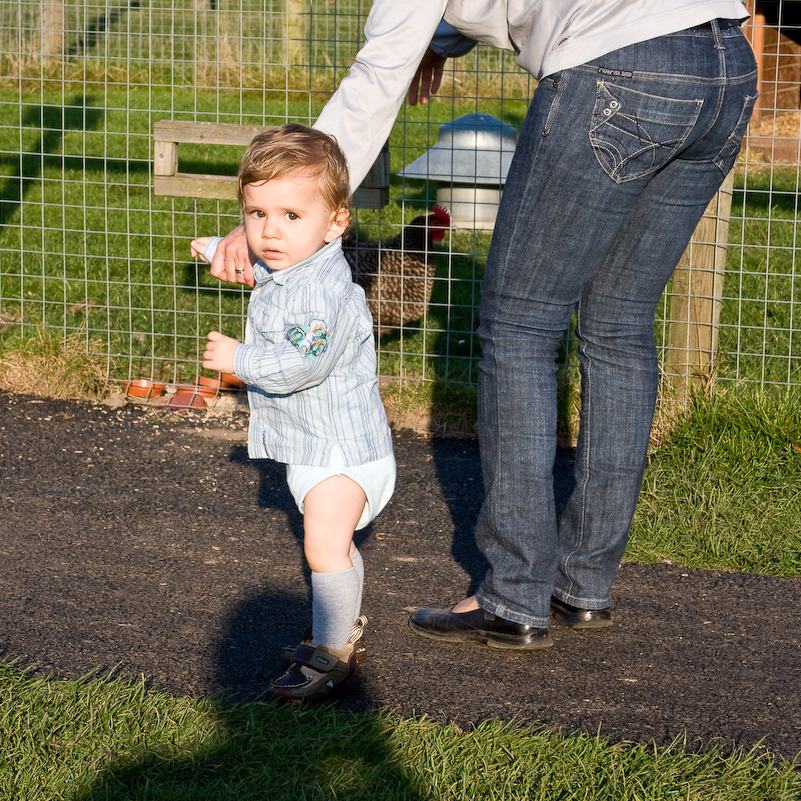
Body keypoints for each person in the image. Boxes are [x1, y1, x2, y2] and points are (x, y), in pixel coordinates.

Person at [207, 2, 757, 650]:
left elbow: (377, 79)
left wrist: (281, 207)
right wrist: (440, 37)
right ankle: (582, 584)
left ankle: (513, 594)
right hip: (722, 61)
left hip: (617, 69)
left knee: (520, 327)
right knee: (618, 325)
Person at [192, 124, 396, 699]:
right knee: (336, 545)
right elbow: (270, 276)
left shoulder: (324, 294)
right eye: (256, 214)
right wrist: (216, 249)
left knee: (322, 547)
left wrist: (239, 358)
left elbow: (301, 363)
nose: (269, 230)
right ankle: (342, 628)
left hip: (340, 450)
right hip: (319, 443)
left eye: (290, 216)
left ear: (335, 223)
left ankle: (328, 658)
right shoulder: (298, 269)